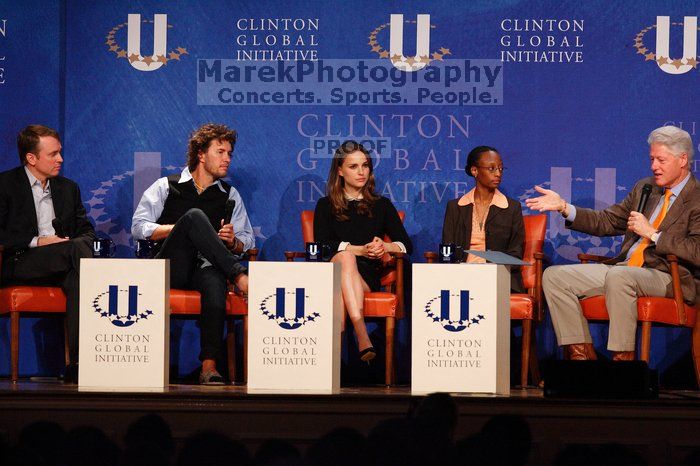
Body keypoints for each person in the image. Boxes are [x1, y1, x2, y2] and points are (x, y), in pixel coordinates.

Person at [526, 126, 700, 360]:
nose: (653, 166)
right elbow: (607, 221)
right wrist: (564, 208)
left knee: (621, 277)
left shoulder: (696, 197)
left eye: (661, 160)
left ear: (682, 160)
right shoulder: (645, 188)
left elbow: (697, 251)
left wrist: (653, 234)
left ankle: (622, 364)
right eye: (651, 159)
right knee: (555, 277)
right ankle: (582, 359)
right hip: (626, 270)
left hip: (670, 277)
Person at [132, 123, 254, 384]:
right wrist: (180, 227)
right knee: (194, 217)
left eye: (230, 153)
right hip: (169, 267)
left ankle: (209, 366)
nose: (227, 159)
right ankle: (240, 276)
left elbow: (247, 241)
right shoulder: (166, 186)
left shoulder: (229, 195)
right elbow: (138, 227)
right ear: (201, 154)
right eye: (220, 152)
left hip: (205, 266)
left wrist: (232, 243)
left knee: (214, 280)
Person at [0, 125, 96, 383]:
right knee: (78, 252)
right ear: (31, 158)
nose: (60, 159)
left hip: (64, 261)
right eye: (53, 154)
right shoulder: (5, 185)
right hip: (20, 262)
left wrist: (70, 243)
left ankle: (79, 364)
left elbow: (86, 231)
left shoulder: (68, 188)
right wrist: (39, 241)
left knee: (78, 278)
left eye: (60, 153)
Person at [313, 141, 412, 362]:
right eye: (353, 166)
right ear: (339, 171)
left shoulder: (382, 205)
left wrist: (383, 246)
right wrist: (358, 250)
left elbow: (406, 245)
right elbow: (321, 246)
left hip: (367, 276)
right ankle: (362, 335)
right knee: (344, 259)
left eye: (365, 165)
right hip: (331, 274)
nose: (361, 172)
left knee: (342, 279)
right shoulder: (325, 205)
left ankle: (330, 366)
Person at [441, 145, 525, 292]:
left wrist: (488, 272)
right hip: (460, 278)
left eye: (500, 168)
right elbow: (448, 251)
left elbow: (515, 254)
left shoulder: (512, 208)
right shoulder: (455, 207)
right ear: (475, 171)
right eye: (491, 169)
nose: (498, 173)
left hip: (498, 279)